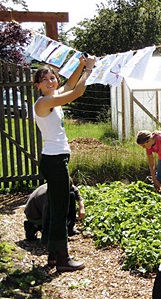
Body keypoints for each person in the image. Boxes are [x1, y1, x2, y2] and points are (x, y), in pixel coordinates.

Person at [34, 54, 96, 272]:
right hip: (54, 160)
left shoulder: (52, 95)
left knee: (56, 206)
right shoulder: (44, 102)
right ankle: (62, 259)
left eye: (53, 78)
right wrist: (89, 69)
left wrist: (79, 66)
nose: (51, 82)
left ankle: (53, 255)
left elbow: (70, 84)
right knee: (61, 209)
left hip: (56, 159)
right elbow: (77, 91)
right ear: (38, 85)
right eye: (45, 80)